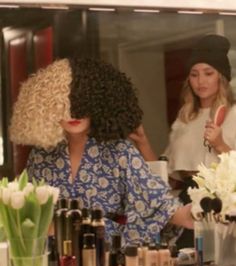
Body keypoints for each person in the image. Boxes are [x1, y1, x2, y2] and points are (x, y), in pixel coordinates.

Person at [9, 57, 193, 246]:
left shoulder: (119, 151)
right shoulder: (41, 156)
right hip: (53, 259)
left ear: (99, 103)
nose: (74, 113)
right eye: (64, 103)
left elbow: (155, 200)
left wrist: (191, 214)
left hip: (105, 257)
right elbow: (28, 214)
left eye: (83, 102)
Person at [132, 34, 236, 248]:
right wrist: (143, 143)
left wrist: (220, 145)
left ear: (221, 77)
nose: (201, 81)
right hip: (187, 201)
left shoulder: (234, 114)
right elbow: (165, 177)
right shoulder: (185, 116)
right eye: (194, 75)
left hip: (221, 203)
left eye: (209, 73)